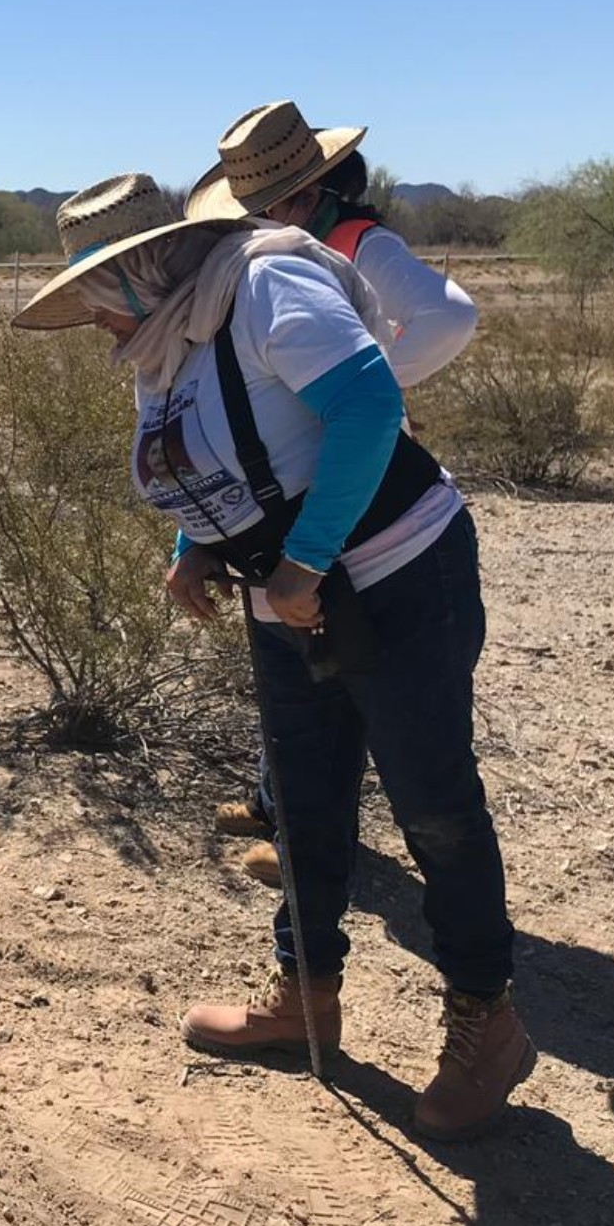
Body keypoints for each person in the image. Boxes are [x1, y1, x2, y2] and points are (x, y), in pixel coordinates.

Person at [14, 173, 531, 1140]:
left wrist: (304, 559)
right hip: (288, 591)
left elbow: (371, 409)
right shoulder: (164, 337)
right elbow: (212, 452)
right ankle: (306, 997)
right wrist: (196, 547)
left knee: (431, 801)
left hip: (397, 571)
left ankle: (484, 1023)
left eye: (96, 282)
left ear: (147, 263)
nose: (87, 309)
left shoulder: (260, 287)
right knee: (301, 794)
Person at [187, 101, 481, 885]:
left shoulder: (356, 241)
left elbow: (449, 319)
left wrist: (354, 384)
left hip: (363, 486)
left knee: (345, 657)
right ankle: (282, 810)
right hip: (311, 478)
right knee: (299, 653)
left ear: (291, 194)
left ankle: (321, 841)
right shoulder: (283, 252)